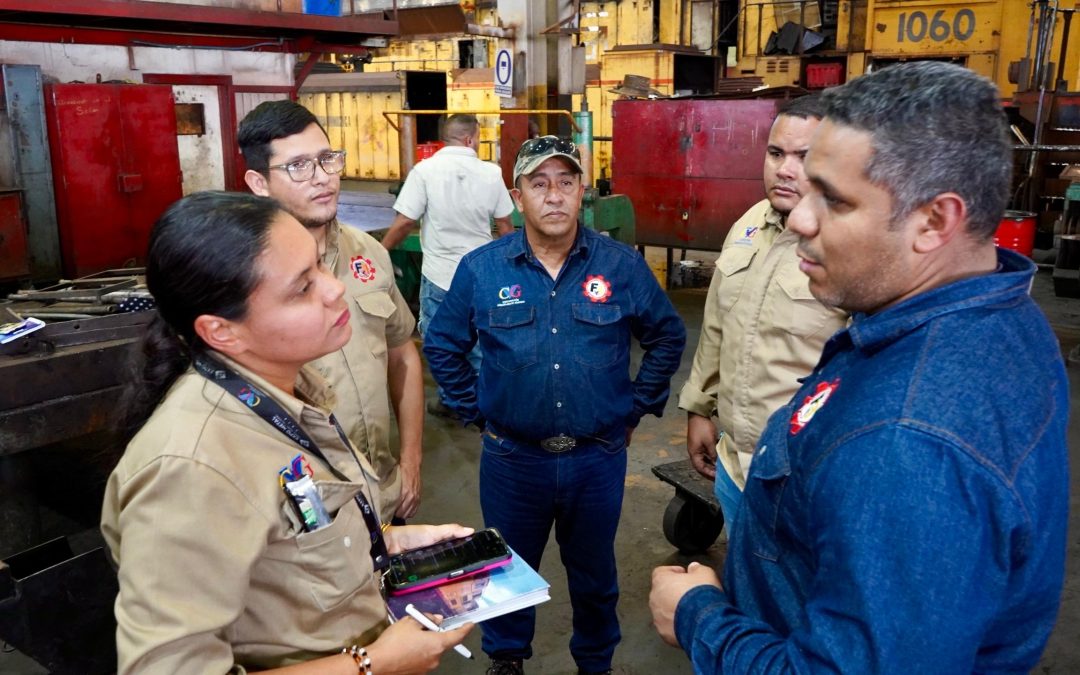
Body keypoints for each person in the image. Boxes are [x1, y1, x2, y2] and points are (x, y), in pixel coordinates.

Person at [649, 61, 1070, 672]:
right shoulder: (998, 310)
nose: (799, 220)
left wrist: (699, 618)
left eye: (835, 200)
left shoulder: (906, 440)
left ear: (934, 220)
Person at [102, 191, 473, 674]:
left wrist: (377, 543)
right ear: (222, 332)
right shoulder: (190, 467)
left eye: (320, 266)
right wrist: (373, 663)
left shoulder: (287, 389)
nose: (334, 288)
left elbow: (284, 538)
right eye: (302, 288)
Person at [423, 136, 686, 675]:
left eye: (566, 183)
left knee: (593, 573)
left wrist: (634, 408)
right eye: (538, 184)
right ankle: (507, 658)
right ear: (516, 196)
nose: (554, 196)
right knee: (506, 569)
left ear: (582, 192)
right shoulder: (483, 269)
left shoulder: (619, 266)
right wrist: (477, 411)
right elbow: (442, 344)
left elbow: (667, 336)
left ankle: (595, 662)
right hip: (513, 460)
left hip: (597, 458)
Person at [239, 100, 423, 523]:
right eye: (298, 166)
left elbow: (402, 352)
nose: (322, 178)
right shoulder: (245, 275)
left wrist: (410, 461)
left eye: (327, 159)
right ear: (258, 181)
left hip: (385, 490)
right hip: (306, 510)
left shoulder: (369, 252)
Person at [679, 95, 848, 527]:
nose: (785, 170)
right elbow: (718, 323)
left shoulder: (848, 250)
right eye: (776, 153)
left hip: (800, 480)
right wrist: (699, 407)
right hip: (733, 467)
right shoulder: (750, 223)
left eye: (804, 157)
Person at [380, 113, 515, 418]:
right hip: (481, 276)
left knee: (441, 341)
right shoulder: (491, 173)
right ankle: (484, 399)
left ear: (447, 138)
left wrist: (380, 251)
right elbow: (506, 226)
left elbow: (405, 222)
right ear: (471, 138)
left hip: (440, 276)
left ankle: (451, 399)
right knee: (481, 338)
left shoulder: (424, 171)